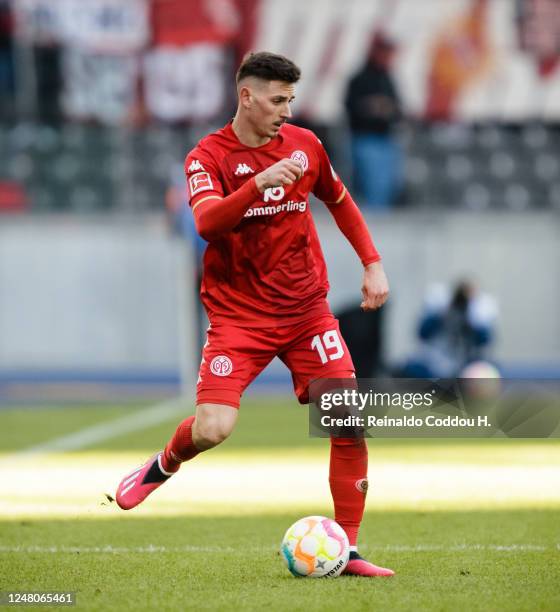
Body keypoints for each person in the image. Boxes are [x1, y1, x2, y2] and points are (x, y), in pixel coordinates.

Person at [115, 52, 393, 577]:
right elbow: (206, 224)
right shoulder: (207, 157)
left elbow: (339, 199)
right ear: (246, 96)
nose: (286, 111)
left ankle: (349, 549)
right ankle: (163, 464)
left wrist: (372, 264)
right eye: (276, 99)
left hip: (306, 310)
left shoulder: (306, 145)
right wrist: (256, 186)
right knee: (214, 428)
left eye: (290, 100)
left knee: (347, 421)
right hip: (238, 318)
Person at [345, 31, 402, 210]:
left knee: (387, 186)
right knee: (371, 185)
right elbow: (350, 107)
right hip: (365, 139)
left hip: (386, 139)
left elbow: (399, 108)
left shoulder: (387, 78)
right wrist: (370, 107)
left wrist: (387, 108)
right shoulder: (359, 79)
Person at [400, 281, 498, 378]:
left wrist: (472, 321)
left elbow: (484, 341)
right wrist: (441, 315)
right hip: (435, 362)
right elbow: (422, 334)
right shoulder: (440, 305)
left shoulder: (478, 311)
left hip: (463, 364)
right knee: (411, 369)